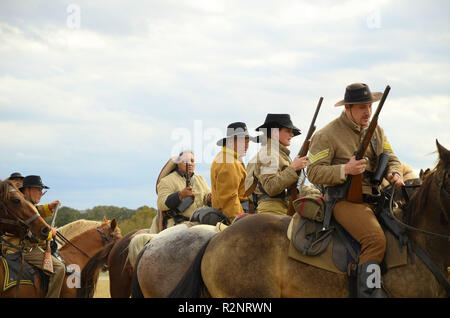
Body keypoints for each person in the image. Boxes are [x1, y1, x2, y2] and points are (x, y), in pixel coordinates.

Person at [307, 83, 404, 298]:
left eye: (369, 106)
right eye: (362, 107)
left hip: (375, 198)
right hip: (345, 201)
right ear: (348, 108)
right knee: (375, 240)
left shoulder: (377, 130)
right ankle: (368, 294)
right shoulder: (327, 134)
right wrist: (345, 169)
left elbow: (392, 158)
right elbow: (313, 172)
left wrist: (395, 173)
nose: (368, 111)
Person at [2, 175, 65, 298]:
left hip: (21, 246)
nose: (41, 193)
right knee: (60, 269)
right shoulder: (23, 205)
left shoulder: (26, 204)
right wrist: (49, 233)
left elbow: (36, 210)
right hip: (21, 248)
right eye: (38, 189)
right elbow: (32, 227)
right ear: (27, 190)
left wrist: (48, 207)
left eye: (42, 190)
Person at [249, 114, 309, 215]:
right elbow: (271, 187)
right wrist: (293, 168)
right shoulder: (269, 153)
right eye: (288, 131)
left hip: (280, 207)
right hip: (272, 209)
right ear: (275, 132)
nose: (292, 135)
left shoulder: (278, 153)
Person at [151, 151, 212, 232]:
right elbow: (161, 204)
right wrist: (180, 195)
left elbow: (206, 197)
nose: (190, 163)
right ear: (178, 163)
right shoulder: (166, 181)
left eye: (192, 161)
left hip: (200, 222)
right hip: (178, 224)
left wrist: (210, 198)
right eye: (186, 161)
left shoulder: (200, 179)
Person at [210, 122, 257, 222]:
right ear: (231, 142)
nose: (246, 146)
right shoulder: (229, 162)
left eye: (247, 142)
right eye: (243, 142)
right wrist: (241, 223)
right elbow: (229, 199)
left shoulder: (226, 158)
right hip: (232, 216)